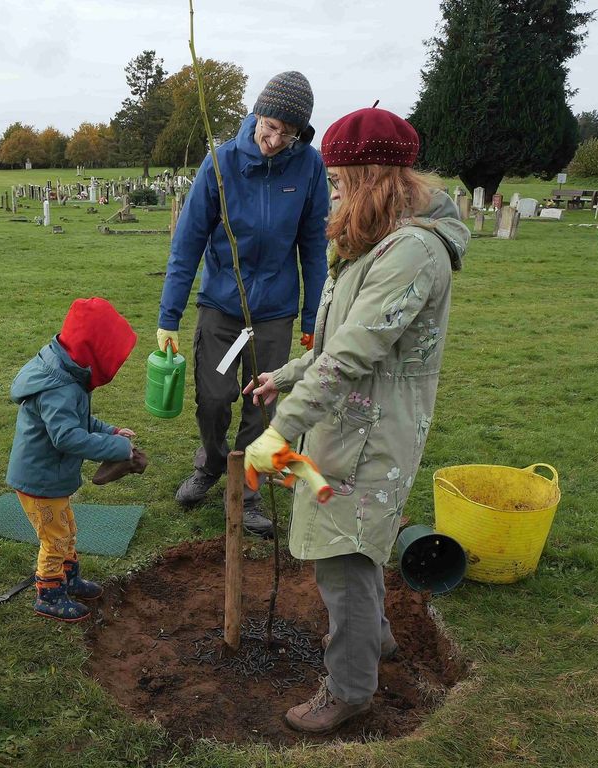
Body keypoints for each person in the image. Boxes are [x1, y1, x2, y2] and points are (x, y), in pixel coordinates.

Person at [243, 106, 468, 734]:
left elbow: (350, 355)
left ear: (373, 179)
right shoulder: (378, 245)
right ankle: (380, 640)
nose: (334, 196)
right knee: (354, 550)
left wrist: (280, 431)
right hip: (349, 422)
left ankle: (350, 689)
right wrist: (285, 377)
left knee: (344, 561)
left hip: (373, 434)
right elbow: (334, 341)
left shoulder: (412, 254)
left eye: (341, 183)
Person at [156, 71, 329, 537]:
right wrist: (168, 315)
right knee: (214, 397)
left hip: (274, 313)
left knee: (262, 403)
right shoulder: (221, 162)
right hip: (222, 308)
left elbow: (314, 248)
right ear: (256, 114)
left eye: (287, 133)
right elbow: (188, 241)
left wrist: (315, 319)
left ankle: (248, 491)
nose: (274, 140)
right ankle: (211, 464)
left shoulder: (309, 168)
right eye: (269, 126)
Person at [6, 297, 141, 622]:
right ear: (94, 352)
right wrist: (119, 451)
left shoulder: (67, 372)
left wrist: (110, 432)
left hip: (51, 478)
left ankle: (69, 577)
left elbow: (77, 422)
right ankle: (49, 594)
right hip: (39, 481)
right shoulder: (59, 388)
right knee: (55, 538)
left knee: (67, 528)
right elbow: (67, 437)